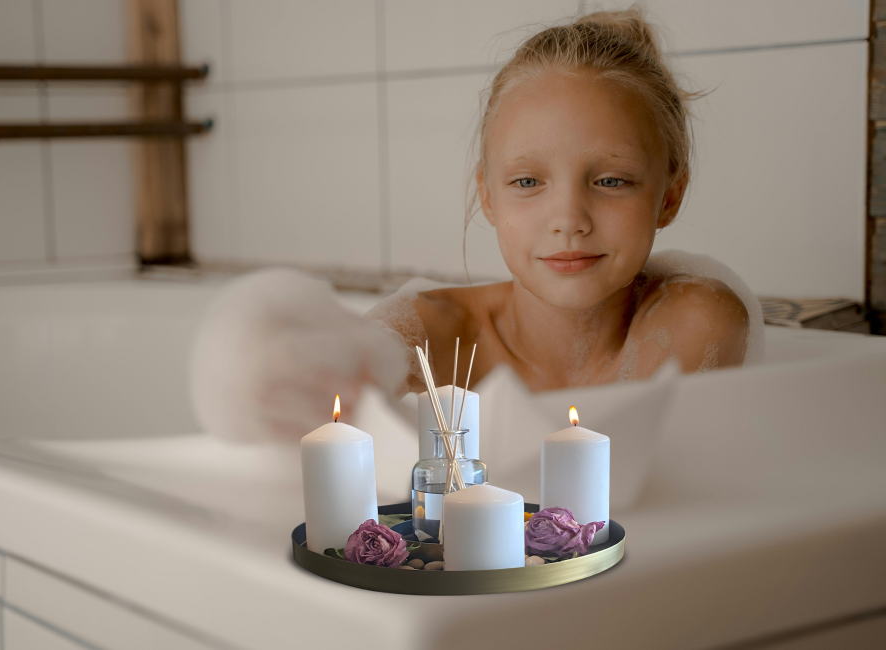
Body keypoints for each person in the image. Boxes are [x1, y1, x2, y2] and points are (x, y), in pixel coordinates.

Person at [191, 8, 759, 443]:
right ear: (486, 195)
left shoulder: (696, 317)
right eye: (527, 182)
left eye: (611, 181)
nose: (569, 221)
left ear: (670, 196)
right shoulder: (425, 336)